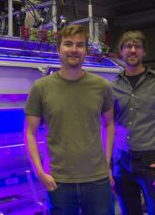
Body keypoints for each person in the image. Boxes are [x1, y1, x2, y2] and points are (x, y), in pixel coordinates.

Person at [24, 24, 115, 215]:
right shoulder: (41, 88)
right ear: (58, 49)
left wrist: (107, 165)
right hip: (59, 182)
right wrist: (40, 172)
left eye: (80, 45)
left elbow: (109, 124)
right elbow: (30, 133)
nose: (74, 49)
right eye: (68, 44)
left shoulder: (102, 86)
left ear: (86, 51)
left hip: (97, 181)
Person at [111, 30, 155, 215]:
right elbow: (108, 127)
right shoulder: (113, 86)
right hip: (121, 162)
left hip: (152, 162)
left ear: (144, 52)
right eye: (128, 46)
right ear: (121, 51)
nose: (133, 50)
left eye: (137, 46)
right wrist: (109, 165)